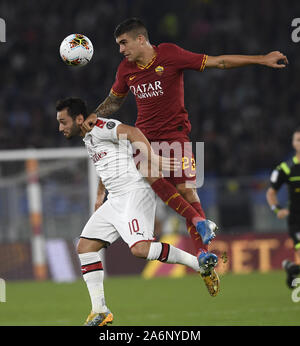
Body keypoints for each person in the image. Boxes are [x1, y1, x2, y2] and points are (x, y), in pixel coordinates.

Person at [82, 17, 288, 286]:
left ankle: (203, 254)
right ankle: (198, 225)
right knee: (155, 180)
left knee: (187, 191)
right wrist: (93, 116)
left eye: (124, 43)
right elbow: (114, 102)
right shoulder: (125, 70)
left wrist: (261, 59)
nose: (121, 50)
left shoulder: (169, 54)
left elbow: (218, 61)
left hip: (176, 136)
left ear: (140, 39)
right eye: (119, 45)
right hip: (144, 139)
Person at [56, 97, 219, 326]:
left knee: (140, 249)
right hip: (115, 198)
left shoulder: (100, 127)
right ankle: (100, 310)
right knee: (85, 247)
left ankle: (198, 264)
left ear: (79, 119)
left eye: (63, 122)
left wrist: (151, 158)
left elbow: (132, 132)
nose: (60, 127)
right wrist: (100, 195)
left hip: (135, 190)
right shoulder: (88, 138)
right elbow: (108, 165)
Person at [266, 127, 300, 288]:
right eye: (298, 140)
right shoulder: (286, 168)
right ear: (293, 144)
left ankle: (292, 268)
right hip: (296, 220)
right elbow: (271, 193)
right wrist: (277, 209)